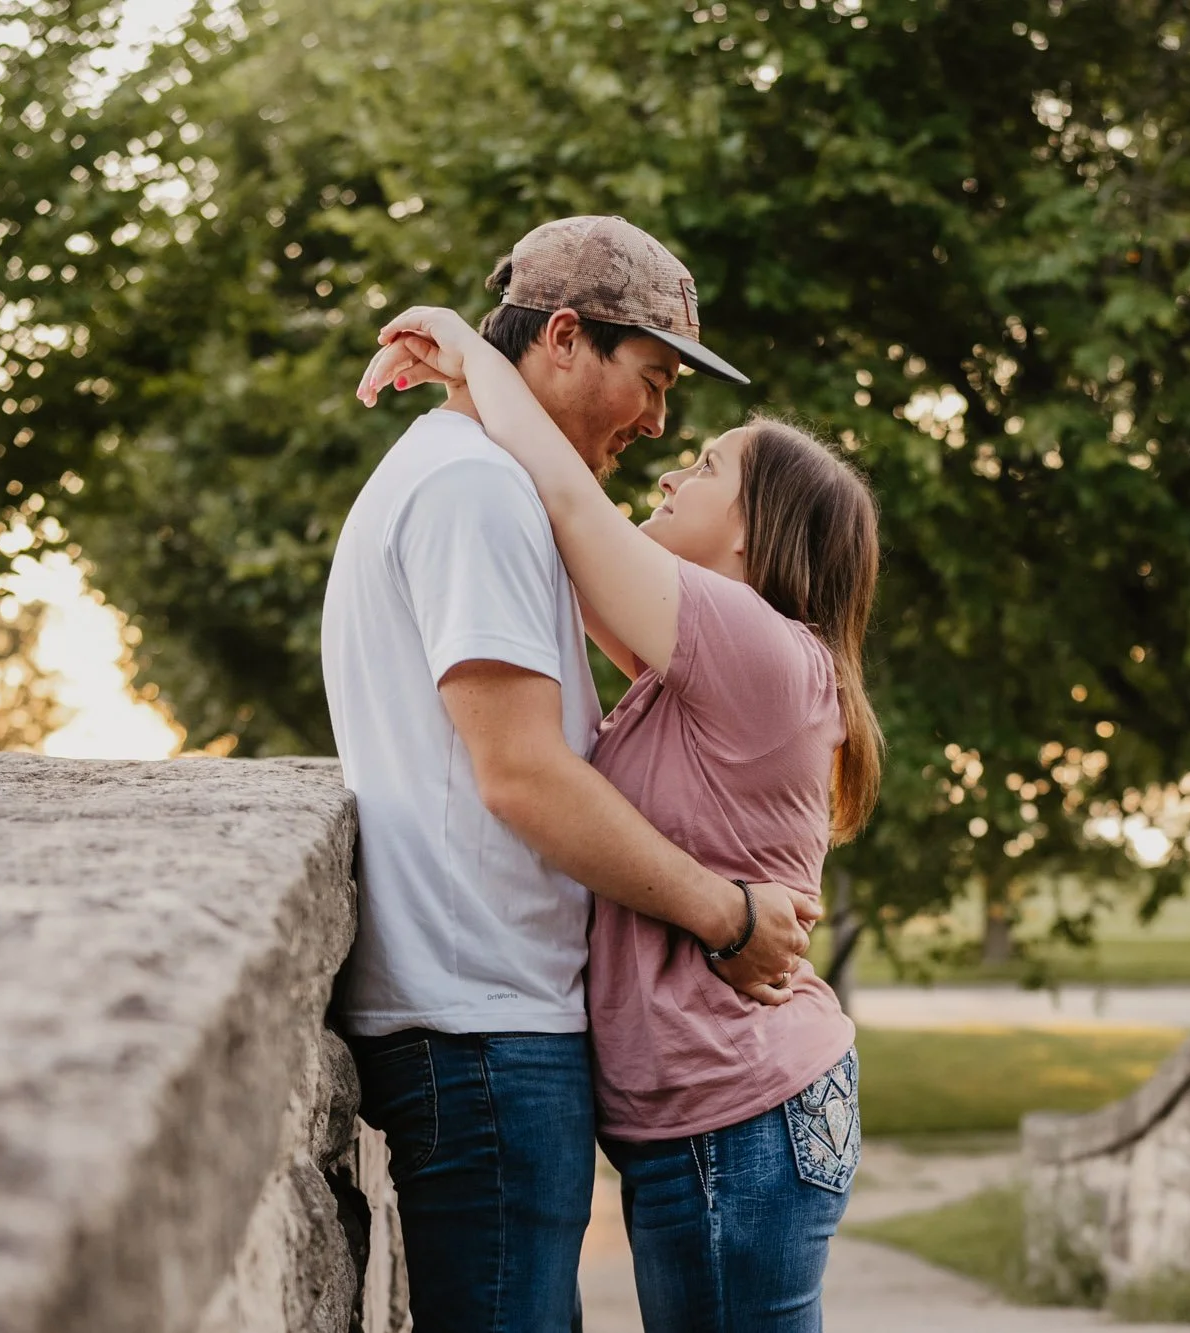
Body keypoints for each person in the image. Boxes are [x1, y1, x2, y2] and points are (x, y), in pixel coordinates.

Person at [320, 216, 821, 1333]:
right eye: (648, 380)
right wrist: (725, 914)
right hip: (482, 1024)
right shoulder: (476, 494)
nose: (656, 420)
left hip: (489, 1022)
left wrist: (467, 353)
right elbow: (522, 774)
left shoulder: (492, 485)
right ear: (560, 338)